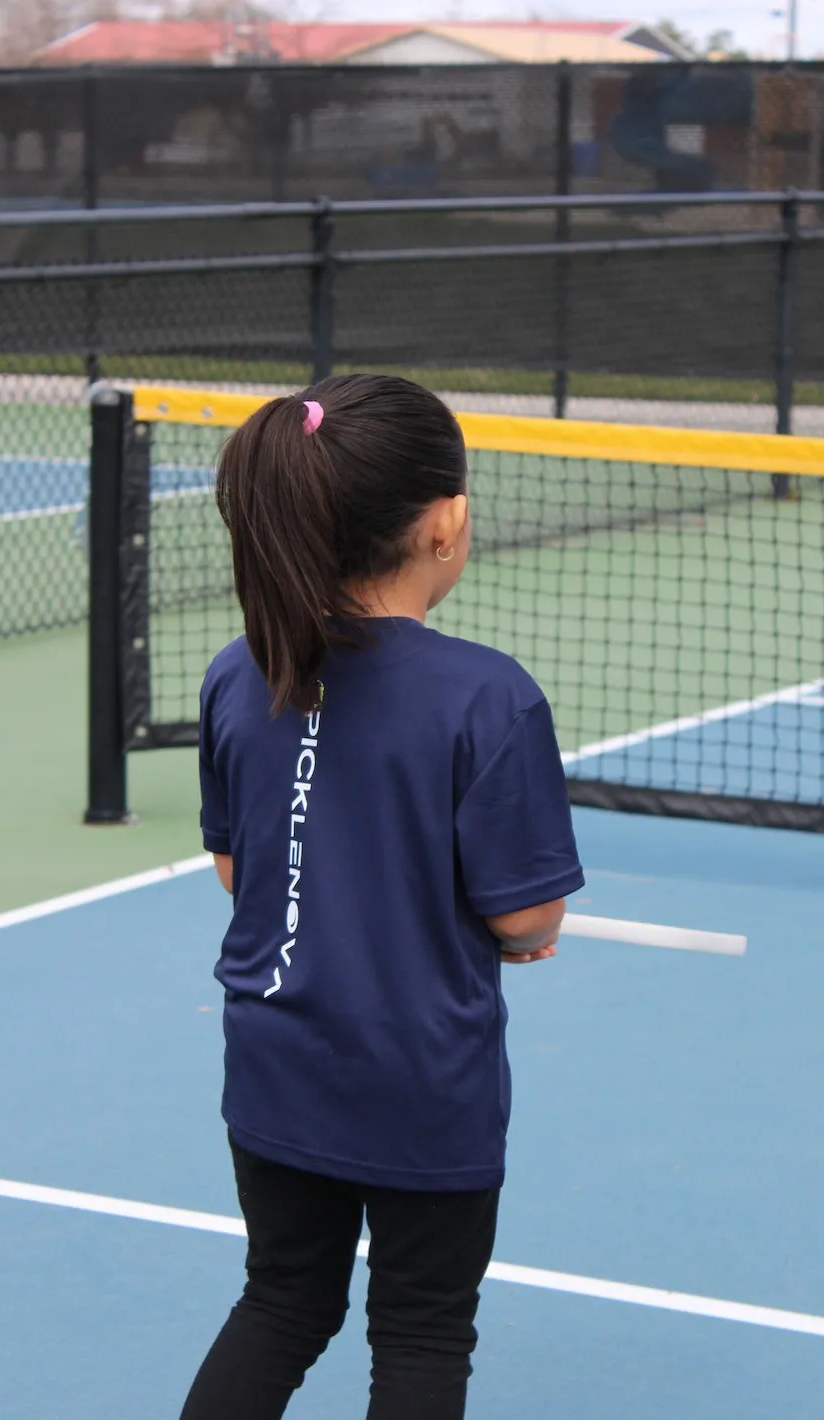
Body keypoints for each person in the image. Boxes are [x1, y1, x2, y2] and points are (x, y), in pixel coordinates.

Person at [181, 374, 584, 1420]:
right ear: (445, 522)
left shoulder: (242, 670)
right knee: (421, 1329)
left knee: (281, 1300)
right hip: (423, 1084)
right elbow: (525, 915)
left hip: (275, 1067)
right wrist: (525, 931)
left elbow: (242, 869)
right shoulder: (489, 698)